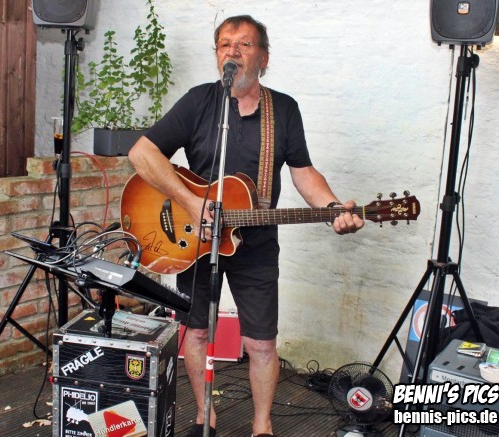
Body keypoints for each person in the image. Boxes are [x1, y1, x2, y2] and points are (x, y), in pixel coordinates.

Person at [128, 15, 364, 437]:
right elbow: (141, 154)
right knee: (195, 332)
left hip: (255, 243)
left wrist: (331, 207)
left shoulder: (283, 110)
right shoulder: (199, 102)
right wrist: (191, 202)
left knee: (261, 342)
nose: (232, 51)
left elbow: (303, 171)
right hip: (194, 239)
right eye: (224, 44)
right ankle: (205, 415)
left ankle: (261, 425)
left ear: (264, 59)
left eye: (244, 44)